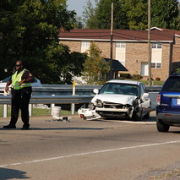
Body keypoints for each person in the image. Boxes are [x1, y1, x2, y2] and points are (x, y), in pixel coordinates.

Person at [3, 60, 34, 130]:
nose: (16, 67)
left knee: (24, 108)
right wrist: (7, 85)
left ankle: (26, 124)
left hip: (24, 91)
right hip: (15, 92)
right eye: (16, 65)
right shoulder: (15, 73)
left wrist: (24, 80)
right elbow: (10, 80)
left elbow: (31, 78)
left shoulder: (26, 72)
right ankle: (12, 124)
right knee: (14, 108)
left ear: (21, 66)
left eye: (18, 65)